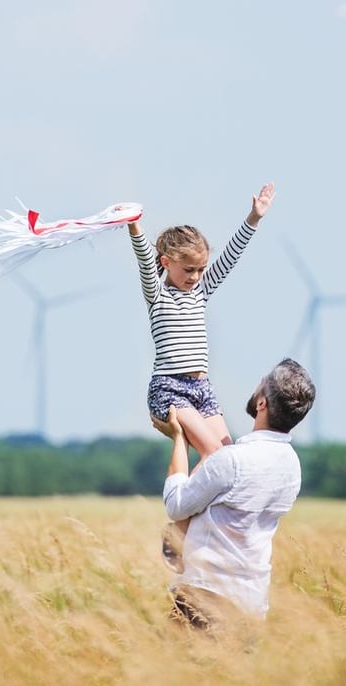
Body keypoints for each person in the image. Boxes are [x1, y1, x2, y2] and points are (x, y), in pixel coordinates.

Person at [152, 357, 315, 629]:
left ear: (262, 403)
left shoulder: (233, 461)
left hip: (206, 600)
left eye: (262, 382)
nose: (257, 385)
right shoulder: (292, 466)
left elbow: (176, 504)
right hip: (253, 607)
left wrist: (179, 438)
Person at [127, 183, 276, 461]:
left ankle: (203, 504)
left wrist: (254, 218)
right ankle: (184, 501)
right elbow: (145, 263)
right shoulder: (157, 295)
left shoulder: (200, 292)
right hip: (169, 389)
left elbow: (230, 257)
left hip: (203, 389)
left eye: (201, 269)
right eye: (188, 270)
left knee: (228, 458)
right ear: (167, 262)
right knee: (212, 452)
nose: (196, 276)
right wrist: (135, 227)